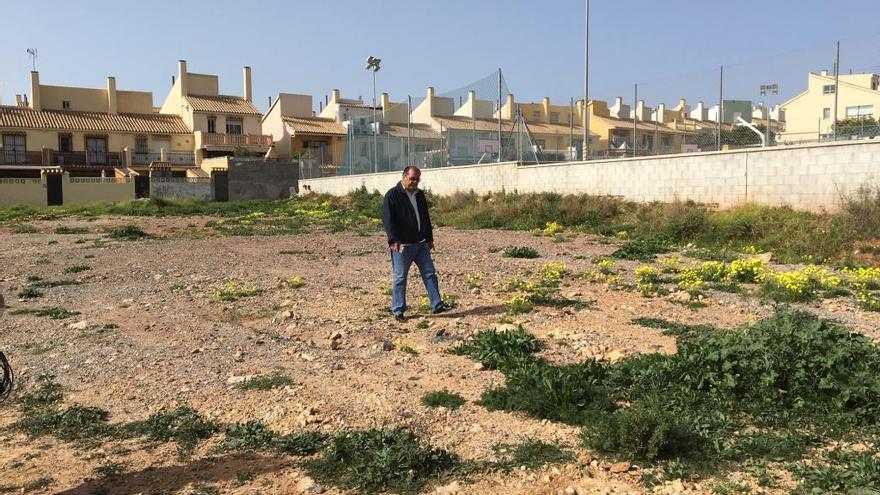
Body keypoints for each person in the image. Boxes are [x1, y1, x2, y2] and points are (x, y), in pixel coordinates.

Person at [381, 166, 450, 322]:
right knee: (400, 277)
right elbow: (387, 219)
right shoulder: (392, 195)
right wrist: (393, 240)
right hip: (402, 246)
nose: (415, 182)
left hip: (420, 244)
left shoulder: (419, 195)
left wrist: (429, 238)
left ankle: (437, 304)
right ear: (404, 176)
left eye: (417, 179)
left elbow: (425, 217)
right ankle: (398, 309)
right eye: (412, 178)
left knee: (430, 273)